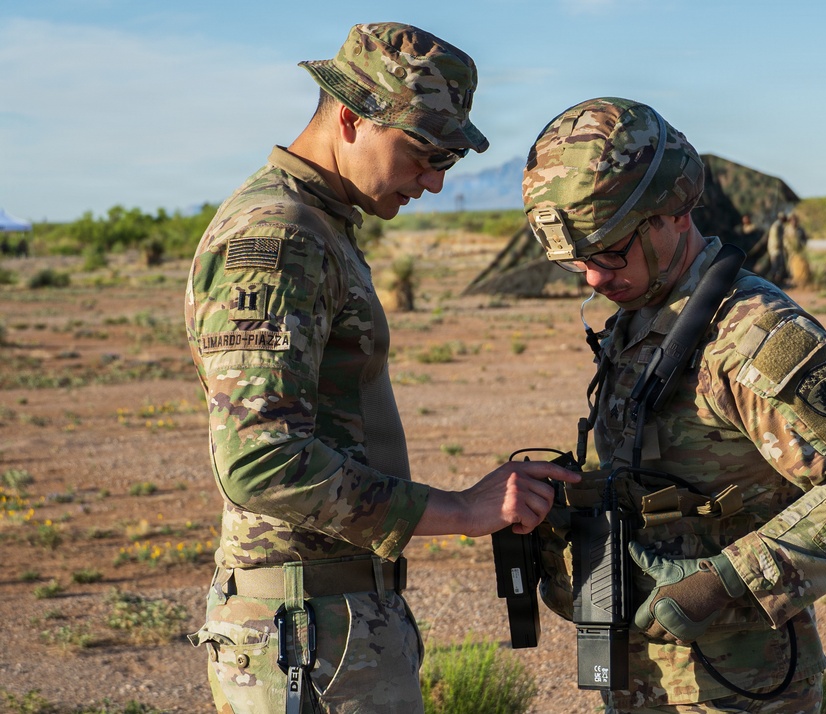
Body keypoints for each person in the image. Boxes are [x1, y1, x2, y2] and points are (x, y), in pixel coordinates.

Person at [184, 22, 578, 714]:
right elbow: (257, 459)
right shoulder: (280, 235)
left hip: (331, 621)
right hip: (306, 636)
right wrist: (458, 509)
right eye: (423, 154)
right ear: (349, 117)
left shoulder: (323, 224)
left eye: (449, 162)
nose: (431, 181)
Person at [521, 97, 826, 713]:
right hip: (640, 673)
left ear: (673, 213)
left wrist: (722, 583)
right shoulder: (639, 318)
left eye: (610, 251)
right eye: (577, 260)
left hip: (741, 684)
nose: (593, 278)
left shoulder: (754, 338)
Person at [764, 212, 786, 285]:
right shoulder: (778, 225)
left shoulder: (777, 225)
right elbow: (777, 239)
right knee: (776, 266)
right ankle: (771, 281)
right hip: (775, 249)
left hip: (774, 248)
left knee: (776, 266)